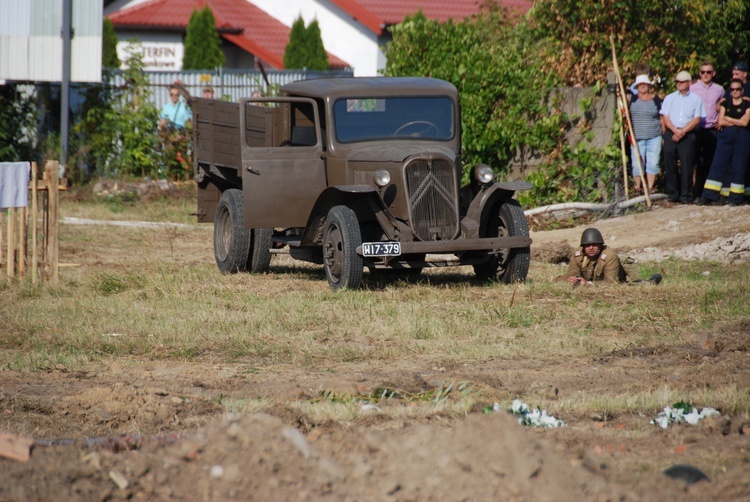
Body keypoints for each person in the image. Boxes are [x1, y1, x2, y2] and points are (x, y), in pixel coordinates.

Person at [696, 78, 750, 207]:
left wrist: (729, 119)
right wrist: (736, 121)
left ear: (742, 90)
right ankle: (709, 195)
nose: (735, 92)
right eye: (732, 89)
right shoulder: (726, 103)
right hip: (725, 138)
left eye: (737, 89)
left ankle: (736, 198)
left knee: (739, 166)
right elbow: (721, 121)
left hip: (742, 138)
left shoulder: (747, 105)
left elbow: (745, 122)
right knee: (718, 163)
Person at [660, 70, 706, 203]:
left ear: (689, 83)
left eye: (682, 81)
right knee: (670, 163)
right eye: (677, 82)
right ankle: (672, 193)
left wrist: (683, 131)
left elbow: (697, 119)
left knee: (687, 165)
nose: (679, 84)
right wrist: (675, 130)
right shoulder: (670, 97)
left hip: (687, 133)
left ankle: (686, 195)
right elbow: (665, 116)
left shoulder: (696, 99)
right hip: (671, 132)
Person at [562, 228, 661, 286]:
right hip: (588, 278)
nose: (591, 248)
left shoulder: (609, 256)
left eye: (594, 245)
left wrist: (588, 284)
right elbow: (573, 270)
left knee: (636, 286)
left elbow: (611, 282)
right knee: (559, 280)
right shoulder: (577, 254)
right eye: (587, 245)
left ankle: (651, 281)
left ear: (600, 245)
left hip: (616, 279)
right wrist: (574, 277)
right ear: (583, 246)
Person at [690, 60, 725, 198]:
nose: (705, 75)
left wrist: (721, 120)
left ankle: (706, 193)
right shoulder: (692, 88)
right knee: (693, 161)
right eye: (703, 72)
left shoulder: (719, 89)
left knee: (709, 161)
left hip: (712, 128)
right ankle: (693, 192)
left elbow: (724, 106)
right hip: (697, 128)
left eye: (708, 72)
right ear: (699, 73)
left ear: (713, 73)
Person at [629, 74, 663, 195]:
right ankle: (637, 188)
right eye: (640, 84)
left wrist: (663, 135)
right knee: (637, 164)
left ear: (649, 85)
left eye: (645, 84)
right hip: (637, 138)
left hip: (654, 136)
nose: (643, 86)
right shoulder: (631, 99)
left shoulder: (656, 100)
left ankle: (649, 188)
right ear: (637, 86)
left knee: (653, 163)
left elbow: (662, 117)